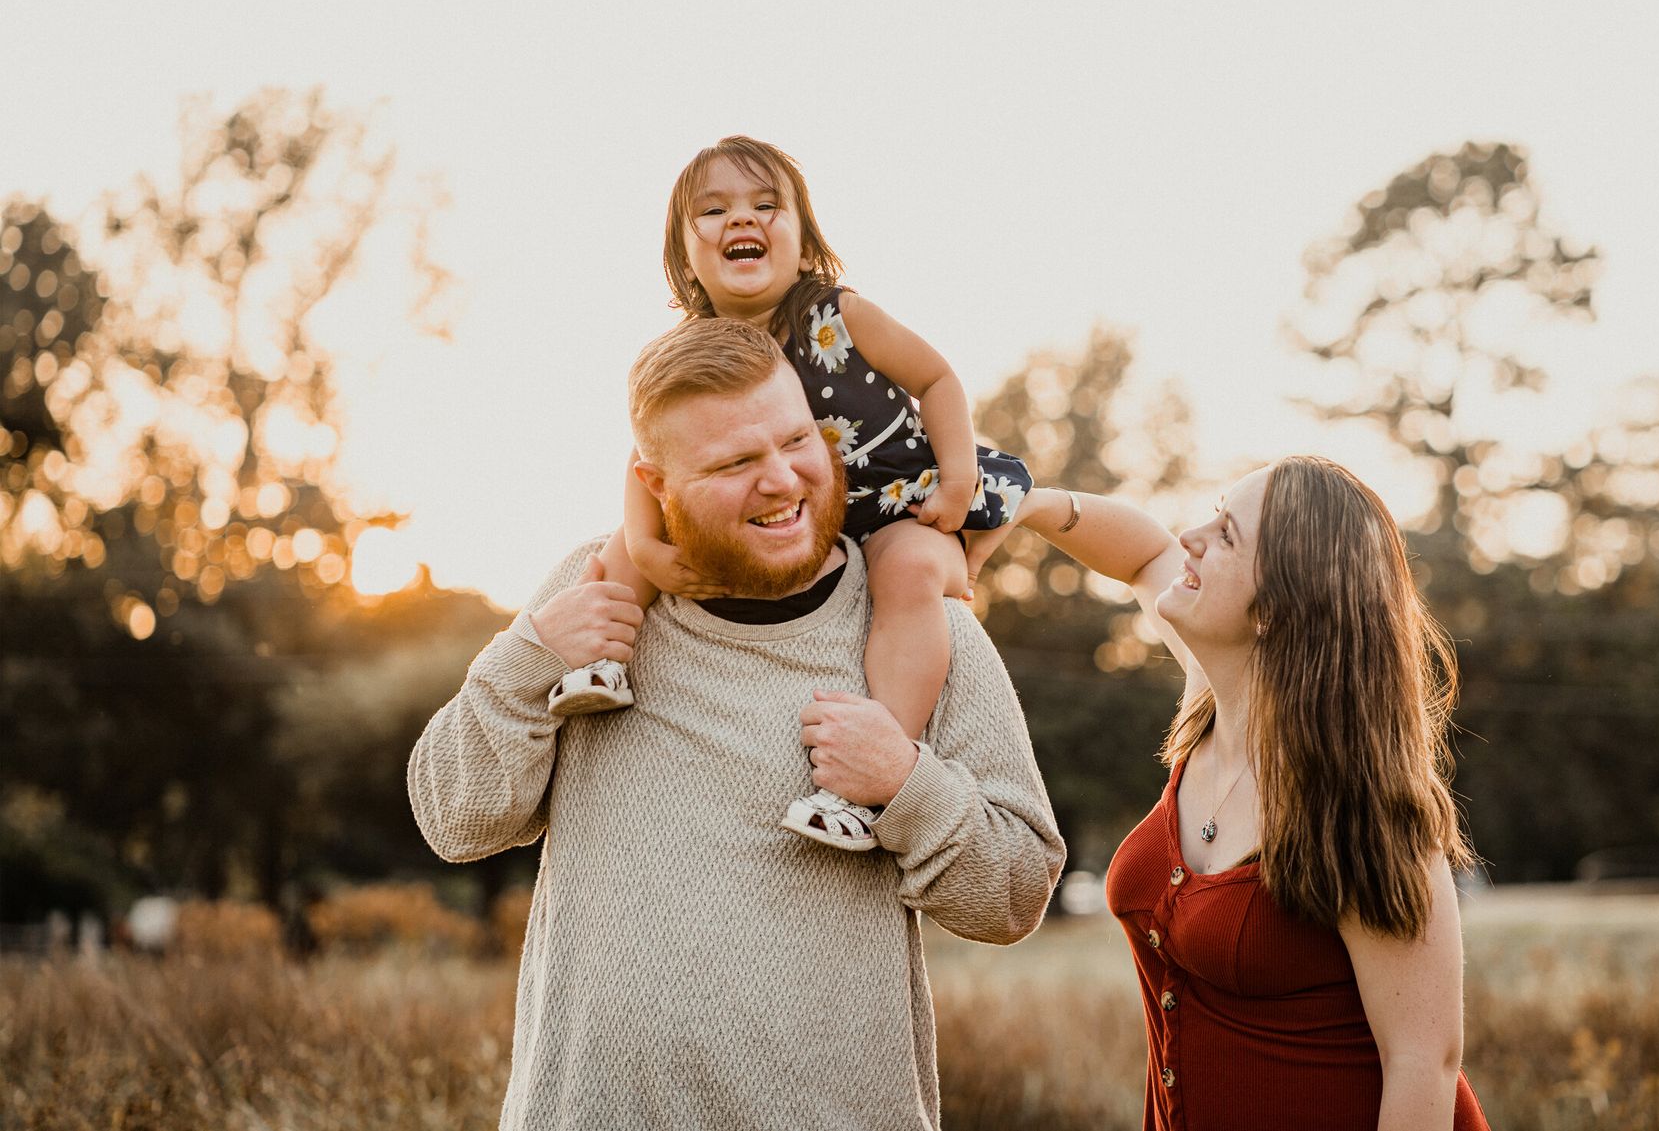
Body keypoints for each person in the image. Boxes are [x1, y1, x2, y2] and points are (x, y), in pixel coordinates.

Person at [407, 317, 1063, 1130]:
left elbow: (1015, 894)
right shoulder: (592, 594)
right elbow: (455, 821)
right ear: (655, 485)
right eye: (735, 462)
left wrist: (907, 783)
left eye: (797, 441)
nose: (783, 480)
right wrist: (530, 654)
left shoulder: (927, 631)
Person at [547, 135, 1033, 855]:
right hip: (784, 509)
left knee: (907, 576)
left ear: (804, 241)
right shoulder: (694, 346)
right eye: (714, 210)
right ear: (687, 255)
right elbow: (650, 455)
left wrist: (959, 476)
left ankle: (867, 774)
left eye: (765, 205)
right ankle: (604, 661)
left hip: (894, 495)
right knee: (626, 543)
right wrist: (647, 544)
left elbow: (937, 380)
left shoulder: (840, 314)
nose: (742, 218)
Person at [1015, 460, 1492, 1130]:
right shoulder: (1204, 713)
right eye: (1210, 514)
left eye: (1227, 534)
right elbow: (1144, 550)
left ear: (1276, 610)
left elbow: (1423, 1061)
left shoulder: (1365, 804)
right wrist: (1025, 502)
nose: (1192, 534)